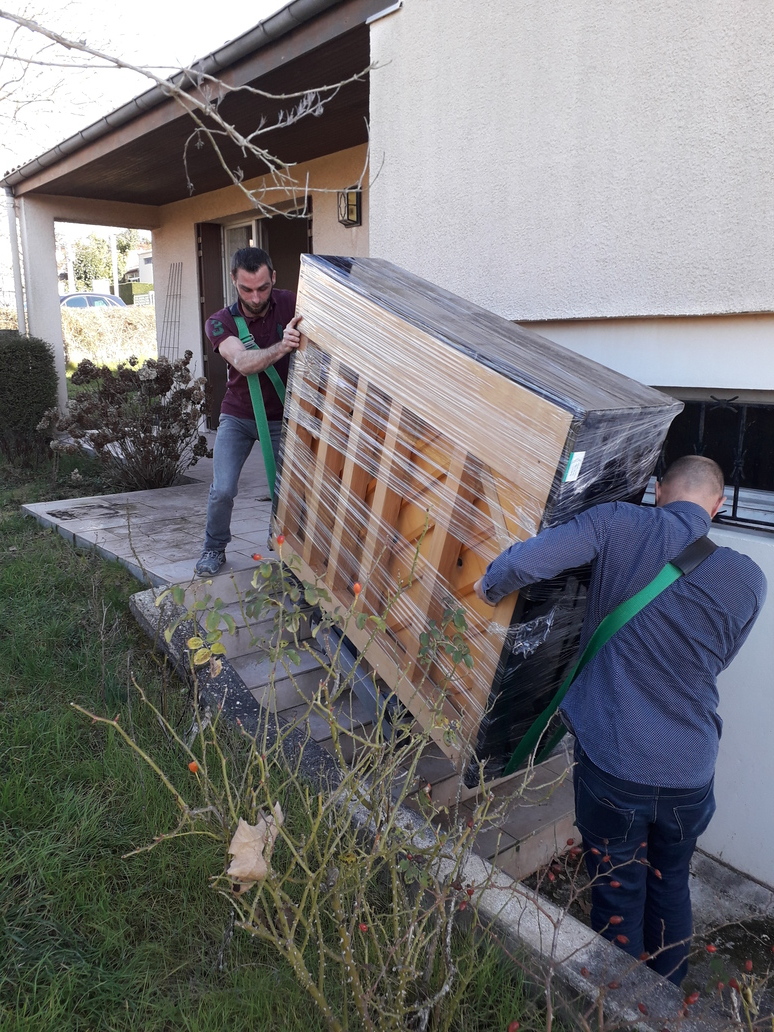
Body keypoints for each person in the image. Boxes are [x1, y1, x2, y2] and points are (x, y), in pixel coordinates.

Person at [474, 455, 766, 984]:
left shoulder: (617, 523)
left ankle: (618, 1004)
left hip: (617, 766)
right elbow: (719, 658)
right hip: (691, 774)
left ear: (657, 490)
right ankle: (664, 1002)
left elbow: (526, 563)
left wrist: (487, 586)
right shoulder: (748, 578)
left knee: (617, 892)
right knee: (671, 883)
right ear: (718, 508)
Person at [195, 247, 302, 577]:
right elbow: (242, 362)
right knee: (223, 489)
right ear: (233, 281)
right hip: (239, 416)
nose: (255, 297)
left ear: (273, 277)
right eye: (246, 289)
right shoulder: (219, 322)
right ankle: (214, 547)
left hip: (282, 416)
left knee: (289, 490)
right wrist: (283, 346)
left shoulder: (293, 302)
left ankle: (291, 551)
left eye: (262, 288)